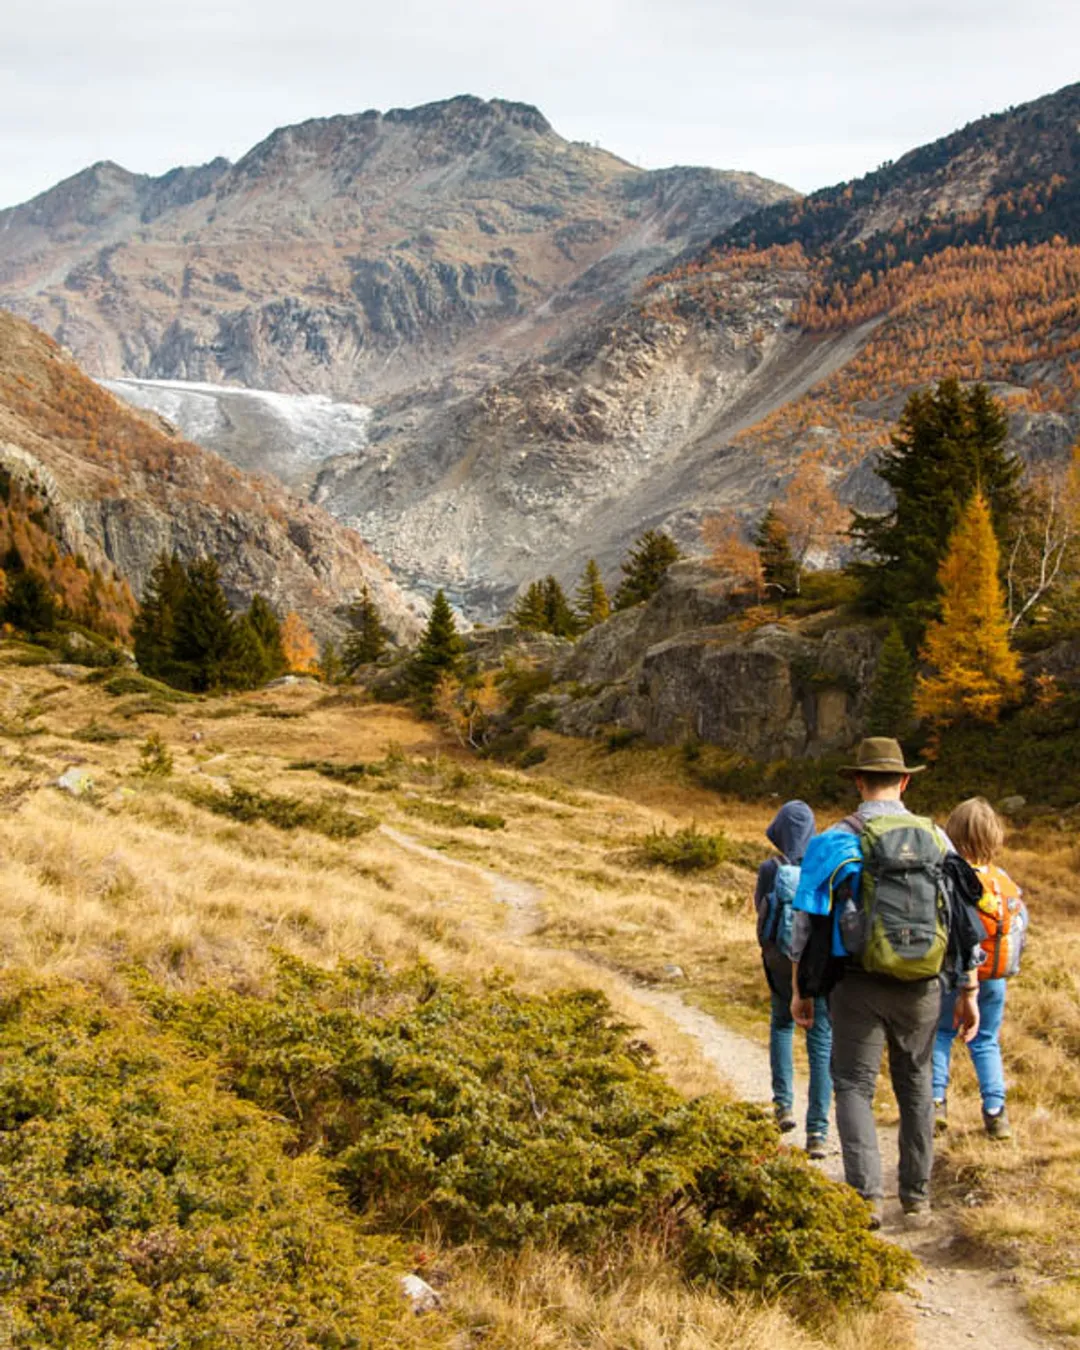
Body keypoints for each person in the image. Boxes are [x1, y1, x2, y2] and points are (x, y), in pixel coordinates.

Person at [789, 737, 982, 1228]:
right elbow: (963, 918)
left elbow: (805, 924)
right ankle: (916, 1199)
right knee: (915, 1084)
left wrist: (800, 989)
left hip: (855, 983)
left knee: (852, 1084)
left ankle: (866, 1198)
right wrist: (969, 989)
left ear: (858, 780)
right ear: (905, 780)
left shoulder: (834, 840)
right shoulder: (937, 837)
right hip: (923, 984)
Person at [933, 797, 1027, 1141]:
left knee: (941, 1034)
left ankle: (936, 1102)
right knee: (986, 1041)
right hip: (994, 977)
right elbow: (1021, 925)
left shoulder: (952, 876)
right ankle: (995, 1112)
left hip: (953, 974)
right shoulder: (1004, 882)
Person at [753, 801, 832, 1158]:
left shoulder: (770, 868)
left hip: (780, 963)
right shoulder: (824, 864)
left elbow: (761, 912)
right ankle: (818, 1131)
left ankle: (783, 1106)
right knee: (821, 1042)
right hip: (816, 964)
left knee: (782, 1025)